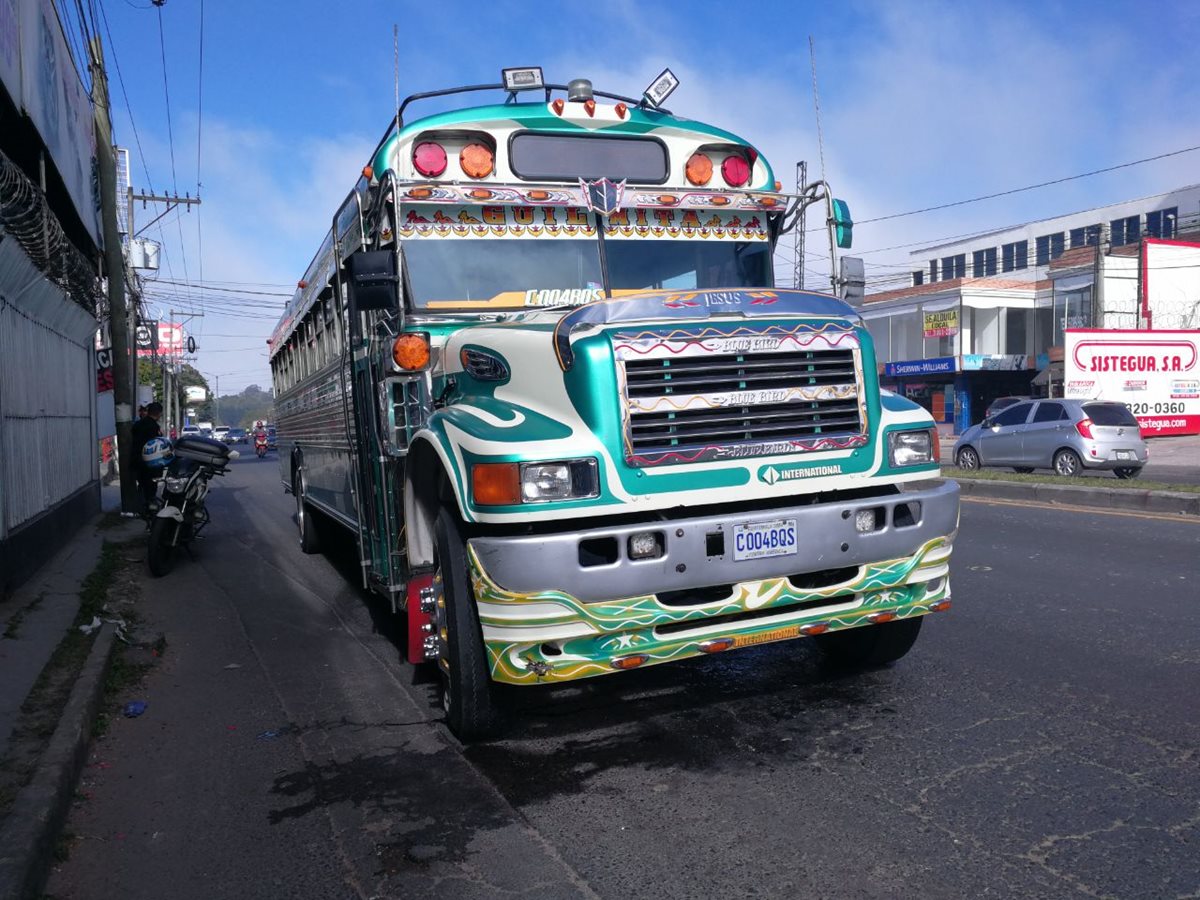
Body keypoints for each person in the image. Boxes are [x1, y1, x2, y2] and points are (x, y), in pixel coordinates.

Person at [131, 401, 164, 511]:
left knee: (142, 485)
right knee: (150, 488)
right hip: (150, 462)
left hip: (137, 460)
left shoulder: (137, 425)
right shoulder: (154, 427)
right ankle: (149, 508)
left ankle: (140, 507)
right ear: (159, 414)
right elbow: (156, 446)